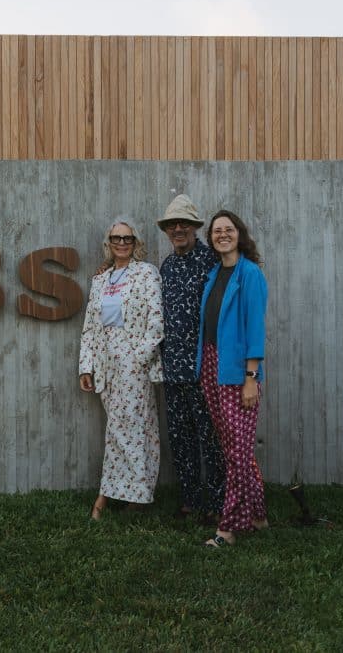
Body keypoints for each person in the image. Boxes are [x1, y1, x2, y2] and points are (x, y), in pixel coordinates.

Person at [78, 218, 164, 520]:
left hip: (133, 366)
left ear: (135, 242)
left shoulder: (147, 273)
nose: (122, 243)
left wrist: (138, 358)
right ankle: (135, 494)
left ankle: (104, 500)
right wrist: (86, 366)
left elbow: (156, 322)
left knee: (128, 429)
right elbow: (90, 327)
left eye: (128, 238)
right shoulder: (101, 280)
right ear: (109, 243)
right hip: (106, 366)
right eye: (117, 238)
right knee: (124, 429)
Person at [196, 210, 269, 547]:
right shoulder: (214, 274)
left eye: (228, 229)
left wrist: (251, 377)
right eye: (216, 231)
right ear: (211, 238)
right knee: (233, 448)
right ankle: (258, 516)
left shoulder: (250, 274)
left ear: (239, 234)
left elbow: (255, 328)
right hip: (212, 365)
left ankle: (228, 528)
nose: (222, 234)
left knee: (238, 451)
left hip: (238, 371)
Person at [156, 194, 225, 526]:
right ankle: (190, 501)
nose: (178, 228)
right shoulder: (166, 266)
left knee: (210, 439)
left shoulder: (212, 262)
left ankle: (217, 503)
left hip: (203, 369)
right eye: (172, 224)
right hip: (172, 369)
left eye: (184, 223)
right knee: (181, 438)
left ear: (195, 226)